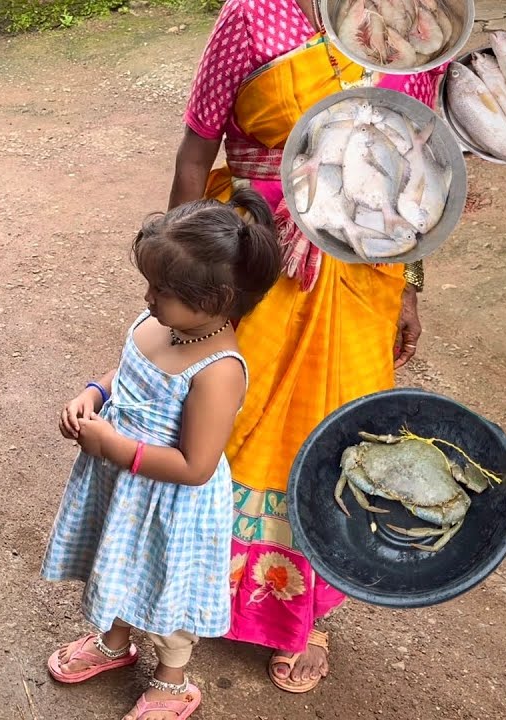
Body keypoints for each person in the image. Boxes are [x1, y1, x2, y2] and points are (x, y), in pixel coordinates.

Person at [167, 0, 445, 693]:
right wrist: (186, 278)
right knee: (221, 424)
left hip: (362, 269)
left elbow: (416, 174)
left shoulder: (418, 26)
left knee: (335, 437)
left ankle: (302, 614)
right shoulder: (252, 16)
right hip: (258, 259)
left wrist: (409, 282)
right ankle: (179, 594)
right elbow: (197, 149)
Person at [42, 189, 282, 720]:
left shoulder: (218, 370)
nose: (148, 298)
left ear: (216, 300)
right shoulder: (162, 323)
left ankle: (173, 682)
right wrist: (95, 394)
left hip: (171, 503)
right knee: (121, 563)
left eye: (162, 290)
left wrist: (112, 445)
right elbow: (127, 371)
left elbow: (196, 466)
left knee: (167, 585)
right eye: (150, 284)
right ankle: (113, 643)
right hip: (126, 486)